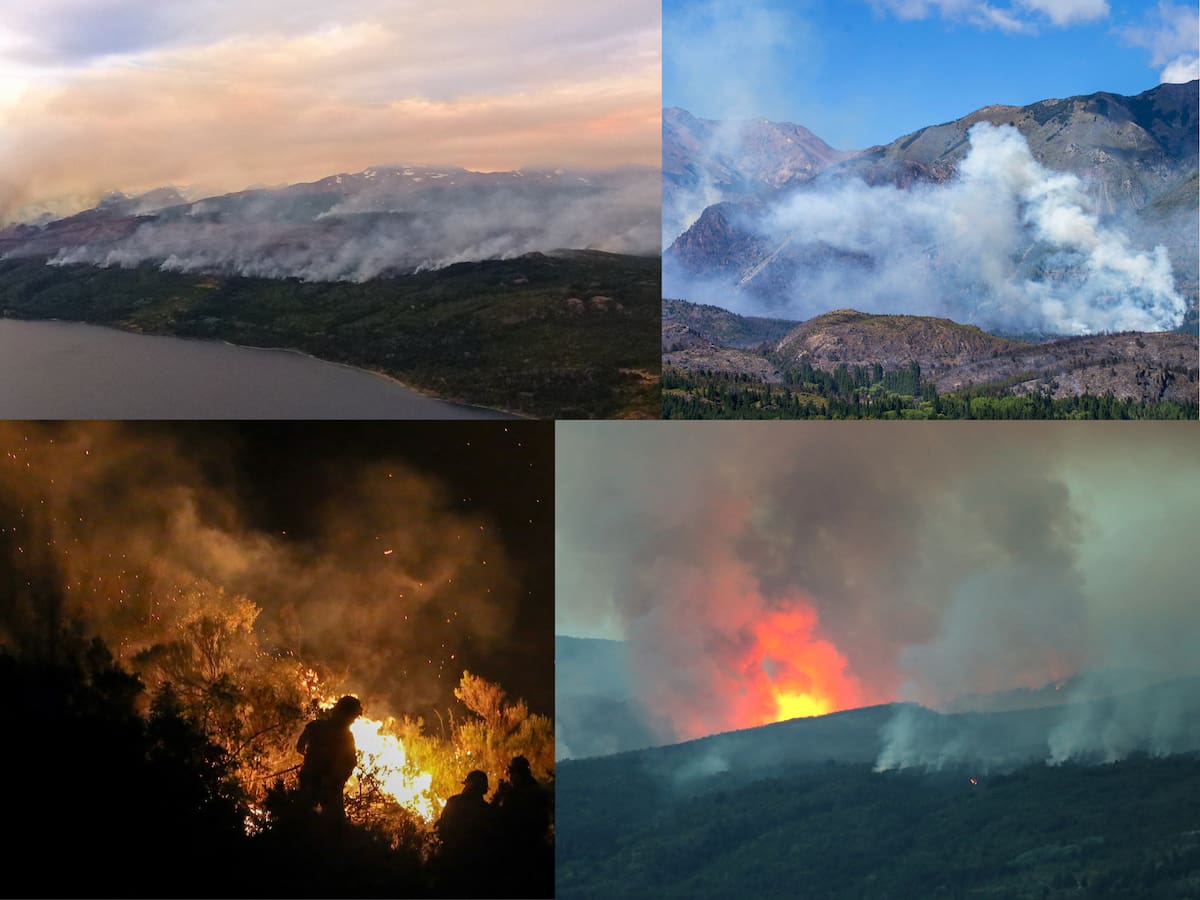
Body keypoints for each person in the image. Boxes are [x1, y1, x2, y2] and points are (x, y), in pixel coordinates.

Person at [295, 694, 362, 821]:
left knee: (303, 817)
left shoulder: (315, 726)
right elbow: (351, 762)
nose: (353, 721)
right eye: (353, 717)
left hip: (315, 782)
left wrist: (311, 759)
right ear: (345, 714)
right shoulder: (346, 736)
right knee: (333, 823)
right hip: (328, 786)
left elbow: (299, 747)